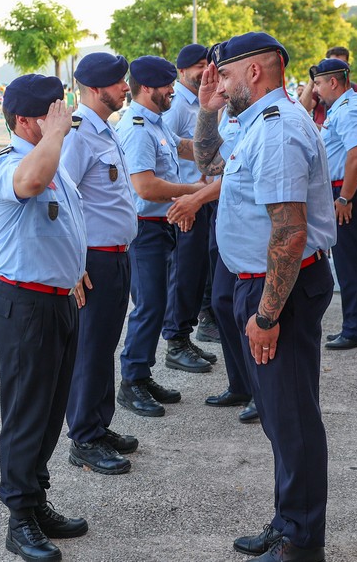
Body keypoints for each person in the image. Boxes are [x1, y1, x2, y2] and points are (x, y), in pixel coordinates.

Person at [194, 31, 335, 562]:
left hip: (281, 289)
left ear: (254, 72)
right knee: (280, 414)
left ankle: (301, 542)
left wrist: (267, 314)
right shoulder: (255, 123)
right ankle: (288, 522)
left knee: (292, 416)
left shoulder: (276, 131)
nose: (218, 82)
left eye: (225, 74)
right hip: (257, 282)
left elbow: (290, 232)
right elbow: (210, 164)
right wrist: (208, 110)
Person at [0, 74, 88, 562]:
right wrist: (54, 135)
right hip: (23, 306)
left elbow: (64, 220)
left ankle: (37, 499)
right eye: (51, 114)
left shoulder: (51, 156)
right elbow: (31, 183)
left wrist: (76, 268)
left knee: (50, 413)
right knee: (26, 415)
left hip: (57, 301)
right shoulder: (11, 165)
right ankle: (19, 516)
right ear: (24, 121)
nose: (61, 122)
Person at [115, 55, 205, 418]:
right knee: (149, 306)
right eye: (167, 85)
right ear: (148, 88)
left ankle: (143, 372)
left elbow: (182, 145)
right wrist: (194, 190)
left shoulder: (155, 123)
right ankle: (131, 382)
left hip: (160, 228)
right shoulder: (137, 127)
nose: (172, 91)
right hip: (145, 231)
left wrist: (220, 152)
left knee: (156, 305)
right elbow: (146, 186)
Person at [62, 52, 138, 475]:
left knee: (104, 344)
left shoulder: (103, 130)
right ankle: (84, 438)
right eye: (117, 82)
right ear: (94, 89)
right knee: (90, 349)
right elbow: (65, 201)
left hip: (117, 257)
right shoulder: (77, 134)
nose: (125, 87)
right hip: (94, 261)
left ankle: (98, 423)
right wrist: (75, 264)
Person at [170, 105, 258, 424]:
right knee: (222, 302)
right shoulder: (228, 114)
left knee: (249, 309)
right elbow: (211, 162)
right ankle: (241, 384)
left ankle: (261, 392)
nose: (222, 83)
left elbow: (238, 173)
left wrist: (197, 198)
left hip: (251, 224)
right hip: (226, 220)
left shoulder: (264, 119)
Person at [312, 58, 357, 351]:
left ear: (333, 82)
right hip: (343, 191)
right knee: (349, 262)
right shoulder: (341, 108)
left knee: (349, 264)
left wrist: (344, 198)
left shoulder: (350, 110)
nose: (316, 90)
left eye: (318, 83)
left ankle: (355, 330)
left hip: (348, 192)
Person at [162, 44, 220, 352]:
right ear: (182, 71)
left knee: (198, 272)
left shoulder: (201, 103)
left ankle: (187, 332)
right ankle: (176, 341)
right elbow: (164, 158)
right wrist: (182, 199)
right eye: (199, 65)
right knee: (183, 274)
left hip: (203, 198)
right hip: (185, 204)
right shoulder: (176, 108)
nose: (205, 70)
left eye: (207, 64)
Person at [298, 46, 357, 127]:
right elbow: (303, 107)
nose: (339, 67)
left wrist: (322, 130)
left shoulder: (355, 90)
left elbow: (353, 124)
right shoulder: (319, 89)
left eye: (343, 63)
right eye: (333, 63)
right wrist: (313, 79)